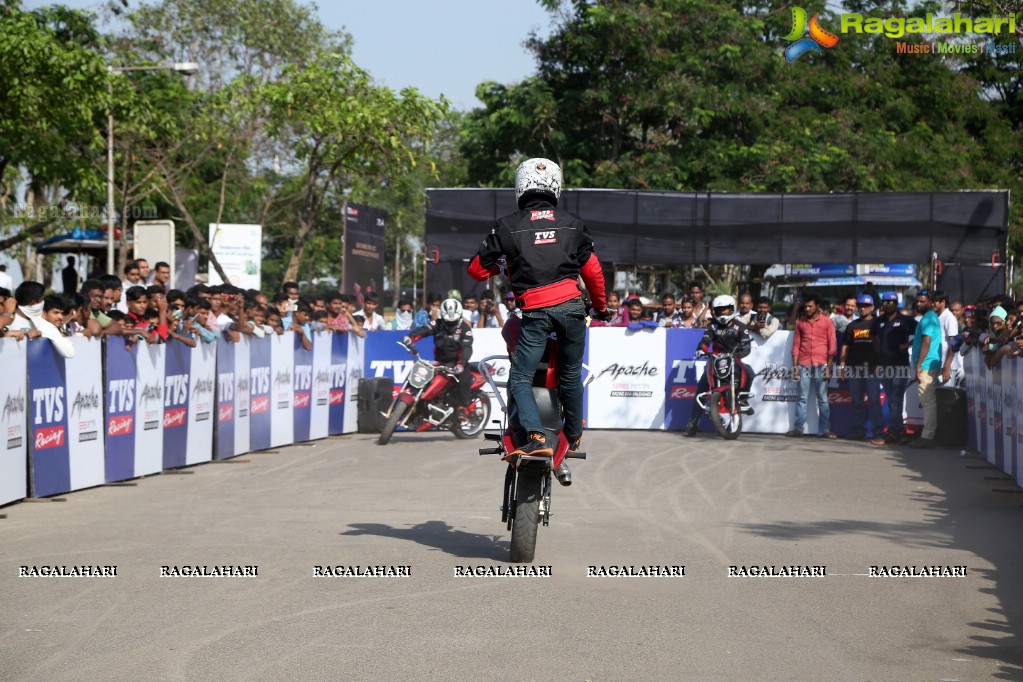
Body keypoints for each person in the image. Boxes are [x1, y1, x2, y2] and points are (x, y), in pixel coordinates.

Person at [467, 157, 608, 457]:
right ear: (556, 186)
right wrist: (601, 308)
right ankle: (574, 435)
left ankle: (536, 436)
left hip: (535, 314)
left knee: (519, 377)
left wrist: (504, 263)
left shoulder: (507, 226)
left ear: (520, 186)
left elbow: (477, 270)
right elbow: (593, 271)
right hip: (572, 309)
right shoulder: (573, 224)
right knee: (570, 375)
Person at [682, 295, 753, 437]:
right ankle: (692, 424)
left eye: (726, 310)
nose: (723, 313)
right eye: (719, 310)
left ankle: (743, 399)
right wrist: (701, 350)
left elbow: (747, 346)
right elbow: (705, 341)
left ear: (732, 309)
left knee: (750, 372)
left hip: (733, 359)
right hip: (715, 361)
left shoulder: (740, 326)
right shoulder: (712, 326)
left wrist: (739, 354)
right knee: (701, 389)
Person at [403, 298, 475, 409]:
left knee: (464, 379)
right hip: (439, 361)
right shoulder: (438, 324)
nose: (450, 324)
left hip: (457, 363)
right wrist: (410, 337)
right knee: (420, 374)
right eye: (448, 321)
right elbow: (424, 330)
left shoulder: (465, 329)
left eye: (453, 321)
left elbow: (467, 348)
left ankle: (463, 408)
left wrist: (461, 364)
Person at [787, 294, 837, 438]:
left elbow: (832, 345)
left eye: (810, 306)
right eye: (806, 306)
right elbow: (796, 345)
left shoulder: (827, 322)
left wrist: (829, 366)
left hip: (821, 364)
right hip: (803, 364)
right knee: (802, 398)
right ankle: (798, 429)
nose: (807, 309)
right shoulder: (800, 323)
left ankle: (826, 430)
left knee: (823, 398)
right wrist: (795, 366)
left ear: (817, 306)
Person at [839, 294, 884, 444]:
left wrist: (879, 364)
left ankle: (878, 432)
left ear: (872, 308)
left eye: (866, 306)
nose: (862, 308)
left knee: (873, 400)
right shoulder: (852, 325)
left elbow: (882, 345)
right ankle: (859, 430)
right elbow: (845, 345)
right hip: (854, 368)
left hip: (872, 368)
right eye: (860, 306)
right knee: (857, 401)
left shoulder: (877, 324)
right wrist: (842, 365)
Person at [872, 291, 917, 444]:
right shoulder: (878, 321)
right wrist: (878, 350)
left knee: (895, 399)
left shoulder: (905, 320)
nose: (888, 305)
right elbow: (872, 335)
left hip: (900, 365)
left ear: (896, 304)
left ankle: (894, 431)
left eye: (891, 302)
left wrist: (908, 344)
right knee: (892, 399)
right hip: (884, 366)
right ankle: (899, 432)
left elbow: (922, 334)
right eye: (885, 302)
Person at [7, 281, 75, 358]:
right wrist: (26, 331)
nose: (43, 303)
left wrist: (41, 333)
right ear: (34, 303)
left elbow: (69, 351)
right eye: (42, 300)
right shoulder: (6, 320)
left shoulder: (44, 325)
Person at [909, 290, 942, 448]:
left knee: (928, 402)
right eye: (918, 301)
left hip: (926, 365)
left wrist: (918, 365)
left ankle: (928, 436)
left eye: (922, 301)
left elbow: (927, 342)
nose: (919, 304)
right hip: (926, 364)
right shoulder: (928, 318)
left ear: (931, 302)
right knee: (927, 401)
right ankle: (928, 433)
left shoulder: (929, 318)